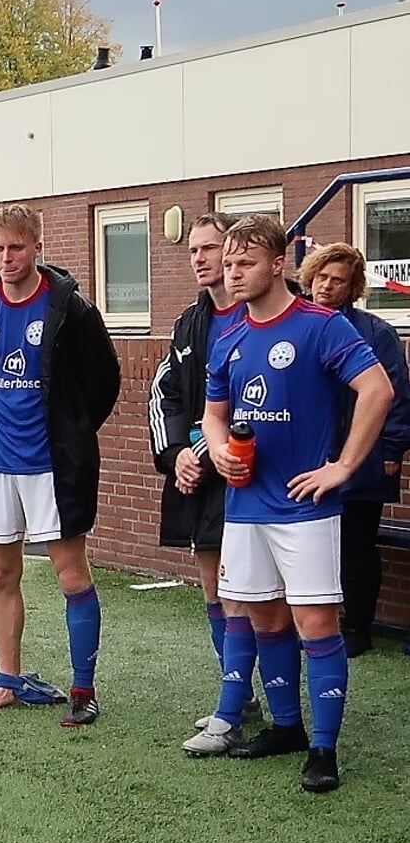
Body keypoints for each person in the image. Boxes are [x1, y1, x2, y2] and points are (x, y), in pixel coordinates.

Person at [193, 215, 392, 792]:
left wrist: (344, 466)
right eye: (228, 263)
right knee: (263, 616)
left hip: (305, 507)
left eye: (245, 263)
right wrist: (217, 449)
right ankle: (286, 727)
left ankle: (325, 751)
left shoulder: (320, 325)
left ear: (278, 263)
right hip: (245, 504)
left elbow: (377, 390)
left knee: (314, 623)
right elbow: (215, 411)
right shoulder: (227, 335)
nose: (233, 273)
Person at [0, 205, 120, 726]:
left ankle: (82, 688)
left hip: (51, 466)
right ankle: (7, 680)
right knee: (1, 575)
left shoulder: (70, 308)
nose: (7, 258)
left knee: (71, 575)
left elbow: (105, 380)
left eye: (17, 248)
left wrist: (72, 432)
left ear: (38, 245)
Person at [151, 213, 269, 751]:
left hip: (253, 476)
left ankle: (260, 705)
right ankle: (238, 697)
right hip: (197, 476)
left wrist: (205, 447)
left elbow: (259, 400)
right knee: (213, 588)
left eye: (211, 249)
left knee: (251, 594)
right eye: (194, 250)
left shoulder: (259, 318)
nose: (201, 259)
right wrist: (177, 453)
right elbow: (167, 395)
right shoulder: (188, 323)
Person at [298, 243, 410, 657]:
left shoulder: (375, 332)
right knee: (310, 545)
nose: (327, 286)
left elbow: (393, 394)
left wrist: (392, 449)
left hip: (364, 459)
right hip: (307, 457)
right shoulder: (296, 324)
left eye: (338, 280)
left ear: (353, 287)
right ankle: (311, 625)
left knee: (357, 547)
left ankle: (357, 626)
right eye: (322, 277)